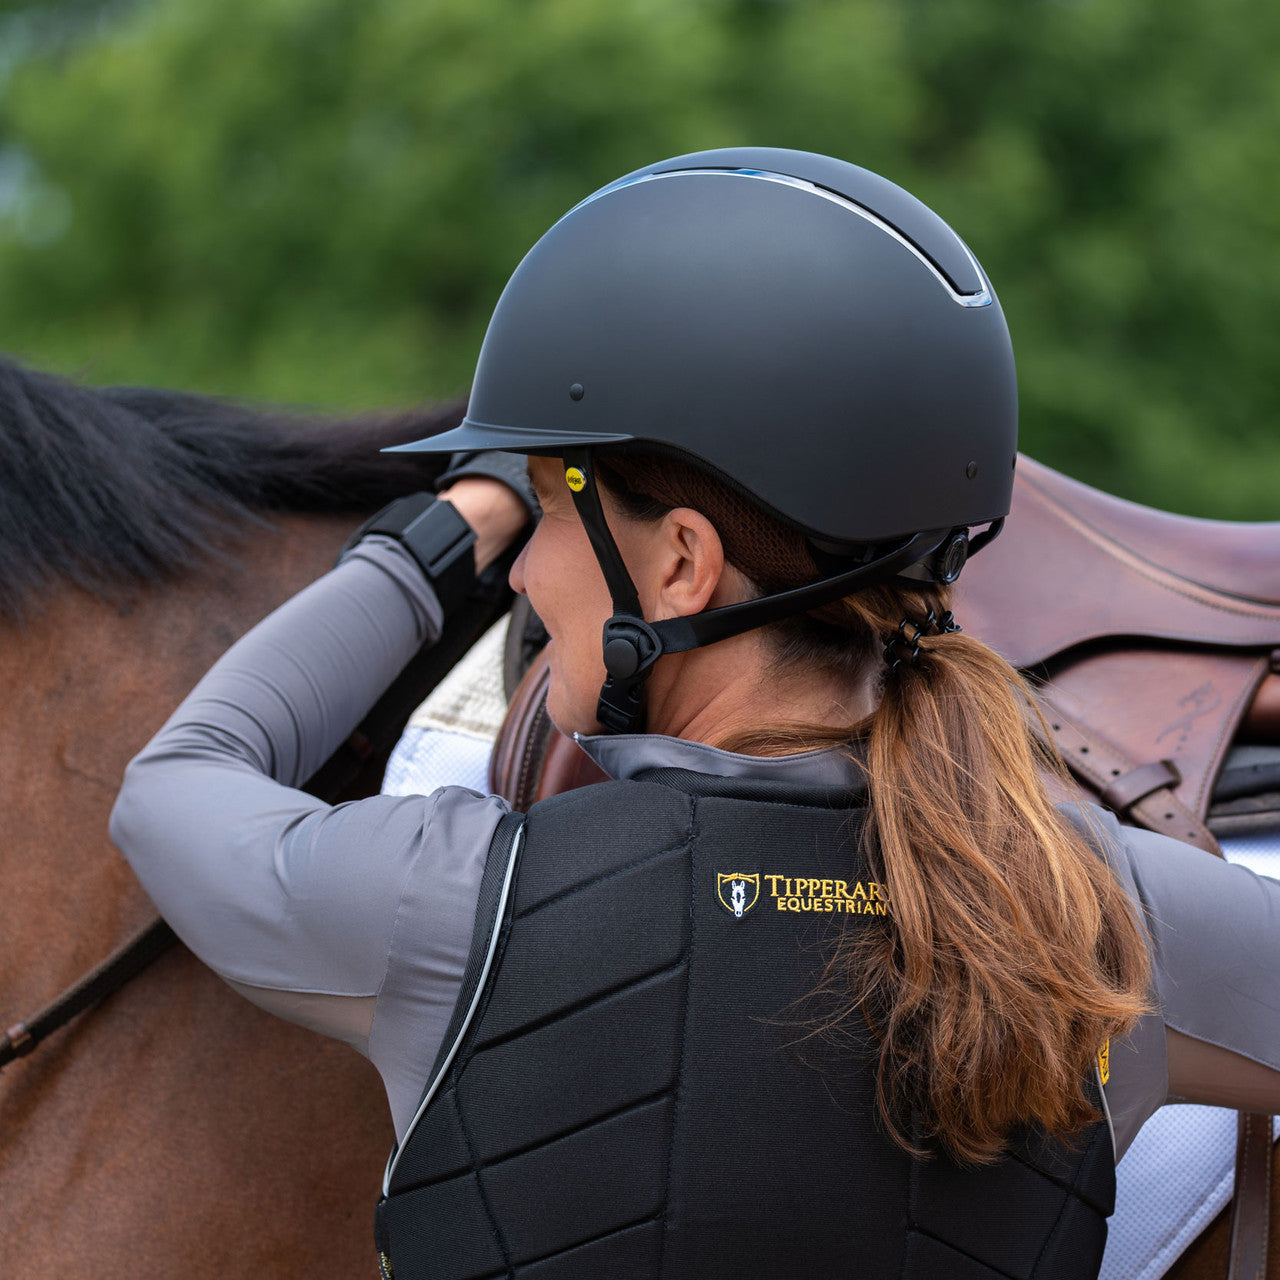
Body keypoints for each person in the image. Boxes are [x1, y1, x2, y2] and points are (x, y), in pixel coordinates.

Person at [111, 148, 1280, 1280]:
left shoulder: (453, 900)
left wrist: (438, 536)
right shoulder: (1100, 913)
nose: (523, 571)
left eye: (546, 514)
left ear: (680, 562)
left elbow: (184, 776)